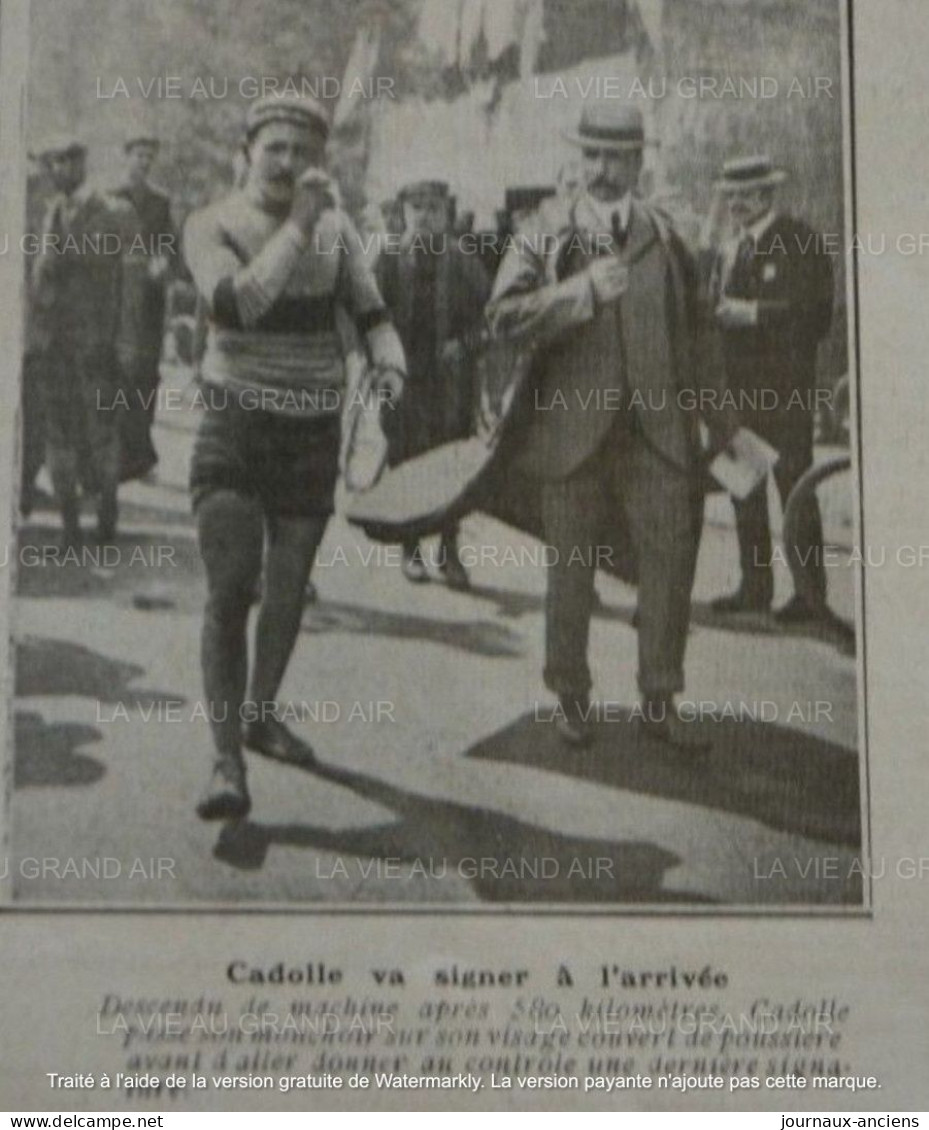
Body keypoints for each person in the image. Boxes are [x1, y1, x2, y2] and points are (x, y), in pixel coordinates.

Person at [184, 94, 406, 821]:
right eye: (274, 148)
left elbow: (372, 312)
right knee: (230, 587)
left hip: (311, 430)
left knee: (287, 590)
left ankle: (261, 713)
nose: (287, 164)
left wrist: (388, 362)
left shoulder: (338, 232)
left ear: (320, 161)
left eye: (302, 152)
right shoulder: (211, 223)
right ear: (247, 150)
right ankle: (225, 763)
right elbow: (237, 304)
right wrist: (302, 225)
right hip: (234, 426)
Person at [487, 103, 736, 750]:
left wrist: (721, 423)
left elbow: (700, 333)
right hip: (570, 438)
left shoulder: (665, 233)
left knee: (670, 564)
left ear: (637, 162)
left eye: (617, 157)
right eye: (592, 155)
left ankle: (660, 696)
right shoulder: (545, 230)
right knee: (570, 573)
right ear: (577, 158)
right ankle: (570, 695)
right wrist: (579, 294)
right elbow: (503, 317)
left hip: (657, 433)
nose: (602, 170)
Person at [707, 156, 834, 622]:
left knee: (795, 489)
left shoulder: (800, 241)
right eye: (730, 194)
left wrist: (753, 313)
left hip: (787, 393)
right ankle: (755, 586)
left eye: (745, 194)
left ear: (766, 195)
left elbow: (817, 315)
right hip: (739, 394)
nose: (735, 203)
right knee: (745, 489)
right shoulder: (728, 249)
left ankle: (810, 594)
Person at [377, 179, 490, 589]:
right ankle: (410, 547)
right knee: (406, 457)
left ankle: (449, 547)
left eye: (433, 207)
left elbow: (490, 318)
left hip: (450, 381)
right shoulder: (389, 260)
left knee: (450, 463)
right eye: (416, 207)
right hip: (403, 376)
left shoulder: (462, 260)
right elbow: (369, 314)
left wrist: (462, 344)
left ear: (446, 212)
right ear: (403, 212)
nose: (424, 215)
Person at [29, 135, 133, 548]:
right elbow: (41, 279)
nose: (53, 171)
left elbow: (121, 275)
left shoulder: (110, 211)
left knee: (101, 434)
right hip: (54, 345)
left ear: (78, 164)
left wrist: (125, 341)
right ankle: (69, 528)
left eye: (61, 163)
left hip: (96, 343)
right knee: (59, 435)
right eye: (51, 163)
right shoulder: (51, 212)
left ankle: (107, 519)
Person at [111, 131, 179, 482]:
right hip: (114, 299)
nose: (144, 161)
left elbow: (170, 244)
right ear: (126, 156)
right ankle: (112, 454)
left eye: (149, 156)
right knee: (115, 373)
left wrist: (163, 260)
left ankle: (140, 456)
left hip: (149, 302)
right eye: (139, 154)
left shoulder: (160, 201)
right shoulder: (109, 197)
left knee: (146, 375)